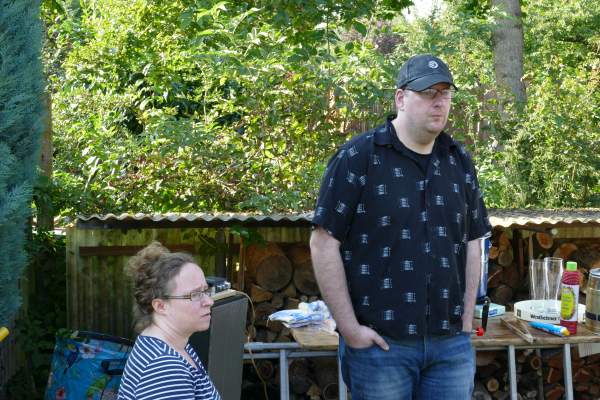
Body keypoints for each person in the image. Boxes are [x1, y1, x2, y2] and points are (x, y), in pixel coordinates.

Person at [310, 54, 491, 399]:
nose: (438, 101)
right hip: (381, 348)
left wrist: (466, 321)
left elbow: (473, 241)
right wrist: (350, 330)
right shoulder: (358, 157)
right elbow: (323, 243)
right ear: (400, 98)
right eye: (427, 92)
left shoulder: (459, 161)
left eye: (445, 93)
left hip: (450, 348)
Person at [118, 242, 220, 400]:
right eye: (195, 294)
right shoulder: (163, 368)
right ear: (160, 306)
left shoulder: (177, 345)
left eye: (205, 290)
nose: (209, 301)